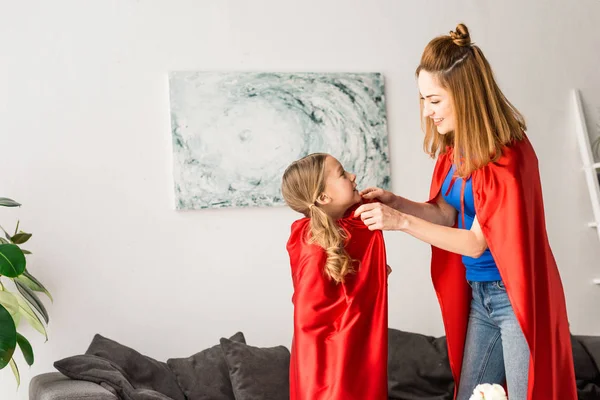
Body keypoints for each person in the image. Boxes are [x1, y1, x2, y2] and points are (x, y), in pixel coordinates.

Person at [354, 24, 577, 400]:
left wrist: (402, 222)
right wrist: (398, 203)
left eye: (435, 100)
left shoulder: (507, 156)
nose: (427, 111)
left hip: (514, 300)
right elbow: (445, 212)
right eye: (423, 100)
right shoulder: (455, 151)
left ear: (464, 94)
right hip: (481, 297)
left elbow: (476, 243)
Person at [282, 153, 389, 400]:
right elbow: (311, 321)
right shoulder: (312, 246)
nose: (353, 176)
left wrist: (372, 275)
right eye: (342, 174)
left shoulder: (349, 229)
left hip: (358, 357)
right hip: (330, 375)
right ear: (323, 197)